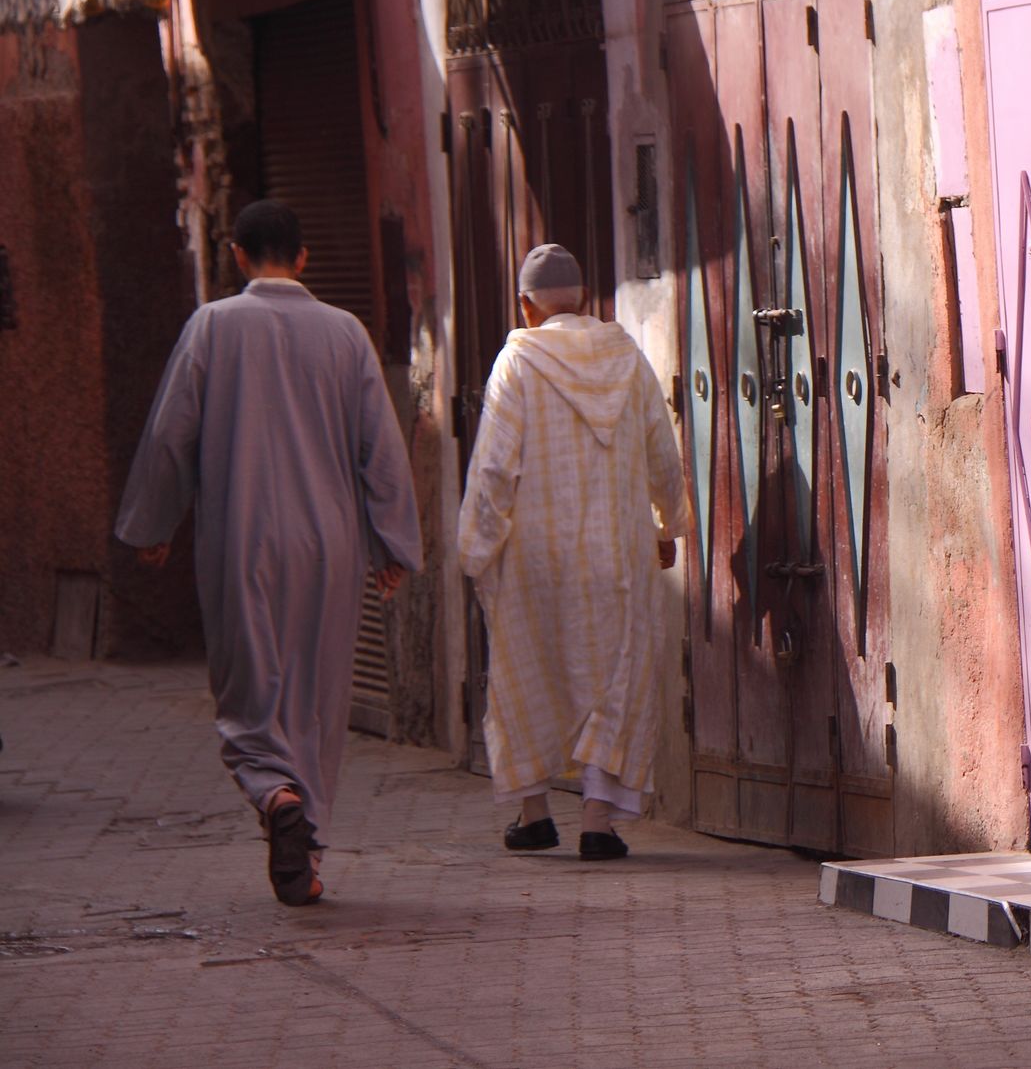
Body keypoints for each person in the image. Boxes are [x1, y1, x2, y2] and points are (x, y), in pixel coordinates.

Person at [116, 200, 423, 906]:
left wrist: (153, 526)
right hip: (330, 543)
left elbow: (170, 437)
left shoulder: (213, 327)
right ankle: (305, 851)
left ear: (236, 254)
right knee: (317, 696)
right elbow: (381, 447)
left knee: (250, 690)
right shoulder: (345, 335)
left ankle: (276, 795)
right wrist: (393, 542)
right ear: (305, 257)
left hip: (241, 537)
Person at [458, 243, 688, 860]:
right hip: (616, 552)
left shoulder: (518, 362)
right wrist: (668, 526)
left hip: (534, 555)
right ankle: (598, 821)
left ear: (527, 306)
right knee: (616, 676)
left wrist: (476, 547)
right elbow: (661, 451)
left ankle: (534, 814)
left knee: (526, 668)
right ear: (582, 299)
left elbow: (494, 468)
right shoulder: (626, 357)